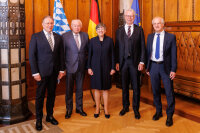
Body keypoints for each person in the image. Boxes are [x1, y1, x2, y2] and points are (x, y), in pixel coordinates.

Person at [29, 16, 65, 131]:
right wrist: (35, 72)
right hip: (41, 73)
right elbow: (32, 56)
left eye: (51, 23)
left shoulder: (58, 37)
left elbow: (61, 55)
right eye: (47, 23)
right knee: (39, 97)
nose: (50, 25)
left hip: (54, 73)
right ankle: (38, 119)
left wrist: (61, 70)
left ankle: (50, 116)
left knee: (51, 95)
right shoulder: (36, 37)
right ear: (42, 24)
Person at [115, 9, 146, 119]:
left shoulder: (139, 30)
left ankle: (136, 109)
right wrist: (117, 62)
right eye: (128, 16)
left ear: (134, 17)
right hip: (123, 63)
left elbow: (143, 47)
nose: (129, 18)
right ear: (125, 17)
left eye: (132, 16)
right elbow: (117, 48)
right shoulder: (119, 31)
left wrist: (142, 61)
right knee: (124, 87)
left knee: (136, 87)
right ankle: (125, 107)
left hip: (135, 63)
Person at [146, 17, 177, 127]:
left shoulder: (171, 37)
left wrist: (173, 69)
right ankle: (158, 111)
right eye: (154, 24)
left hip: (166, 68)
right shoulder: (150, 37)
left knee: (169, 92)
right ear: (153, 25)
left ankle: (169, 115)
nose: (157, 25)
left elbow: (174, 54)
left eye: (159, 23)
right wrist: (148, 68)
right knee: (155, 91)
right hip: (154, 66)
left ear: (163, 24)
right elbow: (148, 53)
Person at [87, 23, 115, 119]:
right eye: (98, 29)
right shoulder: (92, 41)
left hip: (107, 68)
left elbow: (112, 55)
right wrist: (89, 67)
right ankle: (97, 109)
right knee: (97, 89)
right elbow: (89, 55)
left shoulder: (110, 40)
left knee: (105, 89)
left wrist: (112, 68)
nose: (100, 30)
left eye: (102, 29)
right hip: (95, 68)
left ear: (105, 30)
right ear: (96, 31)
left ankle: (106, 109)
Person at [62, 19, 89, 119]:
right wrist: (63, 68)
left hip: (81, 67)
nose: (77, 27)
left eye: (78, 26)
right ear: (71, 26)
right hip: (69, 67)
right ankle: (69, 109)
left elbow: (87, 52)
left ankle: (79, 108)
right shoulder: (65, 36)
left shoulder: (85, 35)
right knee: (69, 90)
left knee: (80, 89)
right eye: (75, 25)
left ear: (81, 26)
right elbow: (63, 53)